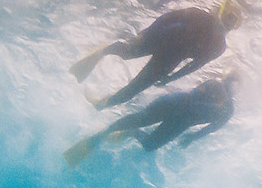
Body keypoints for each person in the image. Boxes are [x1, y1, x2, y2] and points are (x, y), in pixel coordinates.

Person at [71, 0, 242, 109]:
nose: (229, 21)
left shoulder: (219, 46)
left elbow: (195, 65)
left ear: (235, 26)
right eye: (229, 16)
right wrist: (145, 33)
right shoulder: (200, 15)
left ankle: (102, 104)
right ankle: (102, 52)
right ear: (221, 11)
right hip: (158, 40)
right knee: (127, 53)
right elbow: (167, 19)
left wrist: (171, 78)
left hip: (169, 59)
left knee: (134, 89)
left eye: (233, 20)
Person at [64, 71, 237, 167]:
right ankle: (99, 136)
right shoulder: (215, 84)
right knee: (139, 118)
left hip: (182, 122)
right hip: (174, 104)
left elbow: (213, 127)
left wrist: (192, 137)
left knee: (149, 145)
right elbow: (193, 95)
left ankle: (132, 133)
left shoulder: (229, 110)